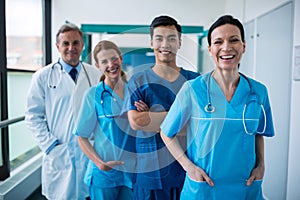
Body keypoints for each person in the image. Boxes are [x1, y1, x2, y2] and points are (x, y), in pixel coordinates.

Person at [160, 15, 275, 200]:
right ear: (210, 49)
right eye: (218, 42)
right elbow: (166, 133)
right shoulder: (193, 89)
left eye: (234, 40)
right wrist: (189, 167)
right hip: (204, 187)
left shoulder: (258, 92)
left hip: (245, 187)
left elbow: (258, 133)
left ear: (244, 46)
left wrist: (261, 165)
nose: (226, 47)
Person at [127, 15, 200, 200]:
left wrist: (153, 116)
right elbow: (137, 122)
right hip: (150, 174)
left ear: (179, 43)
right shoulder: (138, 80)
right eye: (159, 38)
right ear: (151, 42)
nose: (165, 44)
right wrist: (182, 117)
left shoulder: (195, 81)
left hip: (187, 170)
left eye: (171, 38)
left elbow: (199, 124)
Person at [25, 23, 101, 200]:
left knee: (88, 195)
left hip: (89, 150)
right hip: (59, 151)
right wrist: (51, 146)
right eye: (66, 43)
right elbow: (33, 116)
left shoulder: (95, 75)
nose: (71, 48)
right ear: (57, 46)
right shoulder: (43, 77)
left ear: (82, 45)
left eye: (76, 43)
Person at [75, 40, 148, 200]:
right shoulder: (93, 95)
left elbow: (145, 128)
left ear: (121, 59)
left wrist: (145, 115)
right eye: (104, 61)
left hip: (132, 170)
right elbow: (81, 136)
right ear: (97, 65)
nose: (111, 64)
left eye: (114, 58)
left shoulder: (136, 91)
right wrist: (99, 163)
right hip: (104, 174)